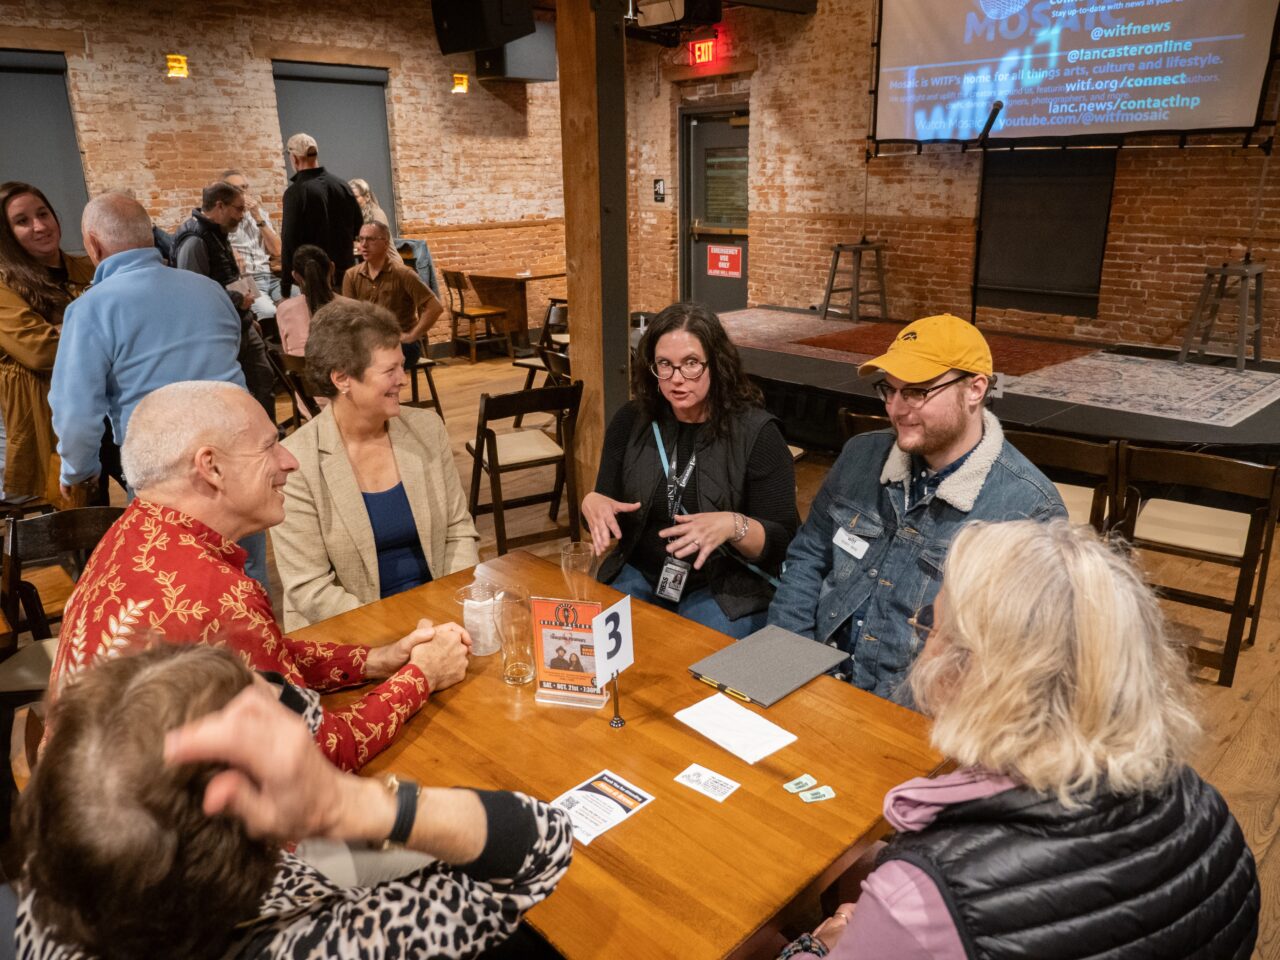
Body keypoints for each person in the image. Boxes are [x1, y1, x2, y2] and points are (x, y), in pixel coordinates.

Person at [781, 520, 1260, 960]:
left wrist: (817, 945)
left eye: (930, 626)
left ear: (971, 672)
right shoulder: (1210, 810)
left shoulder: (920, 899)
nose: (923, 646)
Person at [18, 642, 573, 959]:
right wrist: (348, 804)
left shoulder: (56, 891)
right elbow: (540, 845)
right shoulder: (324, 948)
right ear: (253, 825)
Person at [50, 379, 471, 772]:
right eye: (270, 446)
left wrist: (374, 661)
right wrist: (423, 676)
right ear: (211, 467)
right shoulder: (218, 592)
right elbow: (318, 757)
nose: (289, 461)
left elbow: (249, 664)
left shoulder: (131, 531)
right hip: (177, 842)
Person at [768, 313, 1066, 705]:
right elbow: (807, 559)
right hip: (809, 680)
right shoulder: (861, 455)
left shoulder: (1029, 510)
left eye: (917, 392)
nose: (896, 408)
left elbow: (1018, 666)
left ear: (975, 389)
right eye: (889, 390)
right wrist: (788, 661)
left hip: (918, 720)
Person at [582, 302, 798, 639]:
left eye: (691, 364)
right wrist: (592, 504)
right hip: (642, 574)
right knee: (596, 642)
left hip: (724, 587)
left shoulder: (757, 433)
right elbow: (607, 512)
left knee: (695, 654)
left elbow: (784, 542)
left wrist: (733, 525)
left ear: (717, 364)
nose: (677, 379)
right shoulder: (631, 420)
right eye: (664, 365)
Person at [270, 301, 479, 630]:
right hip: (350, 633)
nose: (404, 380)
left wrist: (449, 609)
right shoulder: (296, 463)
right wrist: (399, 632)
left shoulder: (426, 429)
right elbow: (310, 589)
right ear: (342, 379)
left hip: (439, 616)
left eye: (402, 365)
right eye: (389, 370)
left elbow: (458, 531)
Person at [0, 181, 93, 502]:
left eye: (43, 214)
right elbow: (39, 350)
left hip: (108, 407)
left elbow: (129, 324)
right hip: (54, 420)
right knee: (77, 521)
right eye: (22, 221)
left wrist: (62, 327)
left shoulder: (86, 267)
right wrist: (96, 328)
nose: (39, 226)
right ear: (7, 233)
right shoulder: (5, 285)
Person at [171, 181, 276, 418]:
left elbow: (224, 279)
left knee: (263, 379)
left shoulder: (217, 233)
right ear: (220, 206)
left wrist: (247, 316)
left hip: (238, 323)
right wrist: (237, 299)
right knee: (234, 394)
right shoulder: (195, 239)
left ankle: (270, 438)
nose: (242, 216)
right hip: (217, 332)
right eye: (238, 209)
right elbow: (194, 293)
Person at [342, 221, 443, 370]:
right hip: (369, 342)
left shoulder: (403, 273)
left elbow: (435, 307)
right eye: (361, 238)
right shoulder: (352, 275)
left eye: (370, 239)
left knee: (373, 364)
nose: (363, 244)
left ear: (385, 243)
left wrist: (413, 335)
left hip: (400, 342)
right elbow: (349, 316)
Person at [280, 132, 363, 298]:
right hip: (344, 274)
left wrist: (285, 288)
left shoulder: (295, 192)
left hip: (314, 279)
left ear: (294, 158)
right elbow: (359, 228)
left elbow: (288, 242)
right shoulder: (342, 185)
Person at [223, 169, 284, 322]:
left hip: (271, 276)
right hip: (246, 280)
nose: (244, 192)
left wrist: (257, 216)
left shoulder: (259, 213)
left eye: (245, 187)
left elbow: (277, 251)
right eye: (238, 189)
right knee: (268, 313)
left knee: (299, 302)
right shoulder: (224, 220)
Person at [275, 244, 356, 357]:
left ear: (296, 276)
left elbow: (286, 350)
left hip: (300, 372)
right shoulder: (354, 308)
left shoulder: (283, 309)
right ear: (332, 268)